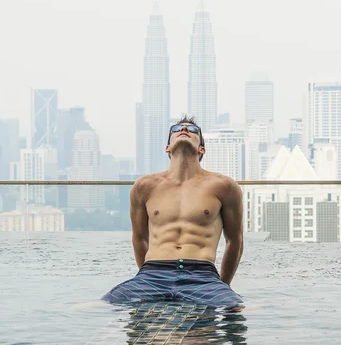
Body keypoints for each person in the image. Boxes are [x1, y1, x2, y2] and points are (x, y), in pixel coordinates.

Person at [102, 116, 244, 309]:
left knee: (238, 309)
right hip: (153, 273)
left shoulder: (224, 186)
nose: (184, 129)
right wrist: (146, 275)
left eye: (192, 130)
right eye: (177, 128)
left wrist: (223, 285)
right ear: (167, 147)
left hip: (201, 274)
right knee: (93, 308)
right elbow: (139, 238)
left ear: (202, 149)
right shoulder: (144, 186)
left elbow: (235, 240)